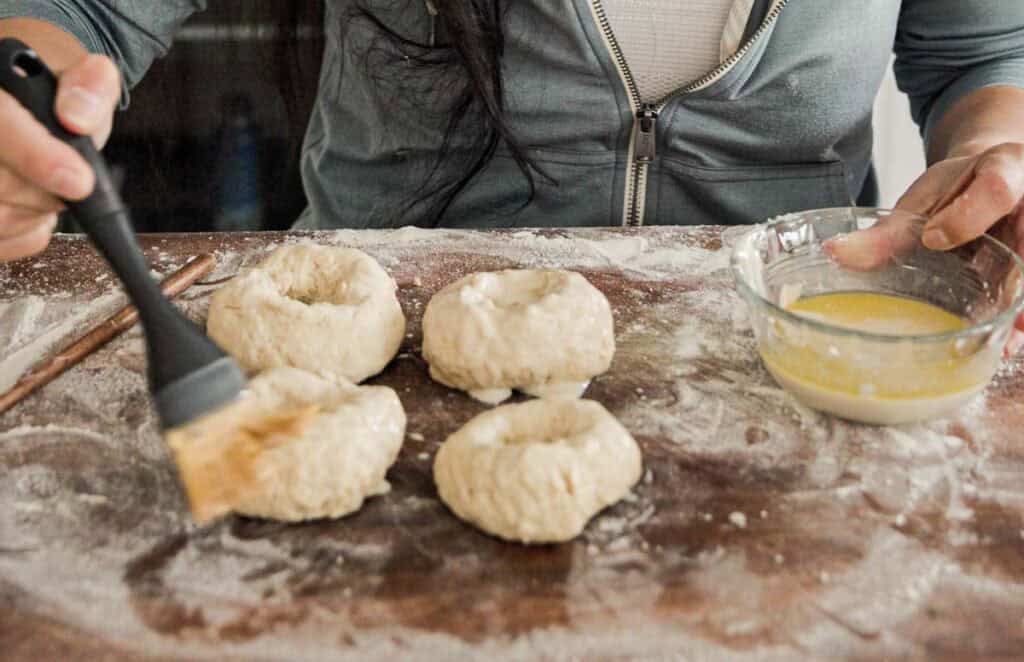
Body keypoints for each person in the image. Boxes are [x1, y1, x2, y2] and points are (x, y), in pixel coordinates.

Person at [0, 2, 1022, 290]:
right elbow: (78, 11)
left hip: (793, 349)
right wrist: (24, 91)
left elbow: (982, 51)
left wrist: (997, 155)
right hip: (375, 353)